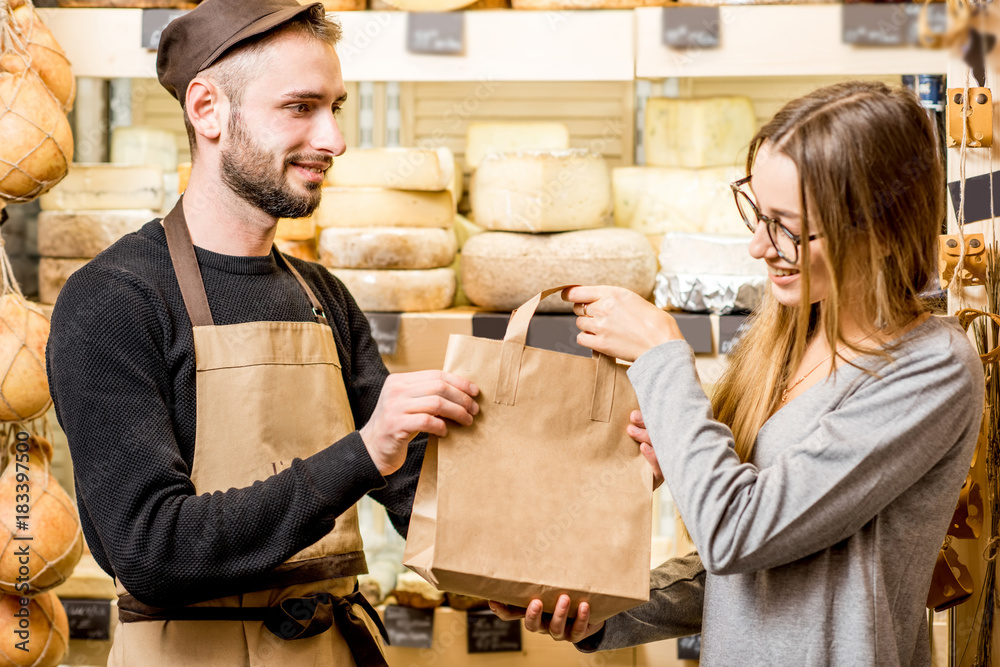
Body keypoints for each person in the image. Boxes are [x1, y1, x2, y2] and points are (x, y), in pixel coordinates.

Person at [490, 81, 985, 666]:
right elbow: (754, 569)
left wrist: (661, 357)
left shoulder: (929, 369)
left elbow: (737, 532)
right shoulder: (785, 337)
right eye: (756, 209)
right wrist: (602, 608)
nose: (758, 245)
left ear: (877, 228)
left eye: (787, 226)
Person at [45, 1, 480, 665]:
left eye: (336, 106)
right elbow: (154, 550)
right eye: (301, 107)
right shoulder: (116, 298)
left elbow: (424, 506)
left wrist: (585, 499)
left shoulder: (325, 297)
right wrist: (362, 453)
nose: (333, 139)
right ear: (208, 109)